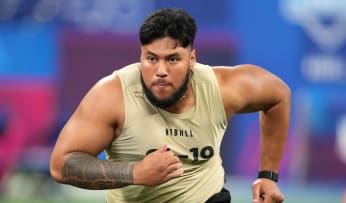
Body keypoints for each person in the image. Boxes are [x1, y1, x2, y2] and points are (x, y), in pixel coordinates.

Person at [49, 8, 291, 203]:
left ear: (192, 59)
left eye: (173, 59)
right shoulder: (112, 95)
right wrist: (135, 173)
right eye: (151, 59)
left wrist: (267, 176)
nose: (161, 71)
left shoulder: (221, 89)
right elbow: (61, 165)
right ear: (141, 57)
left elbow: (278, 95)